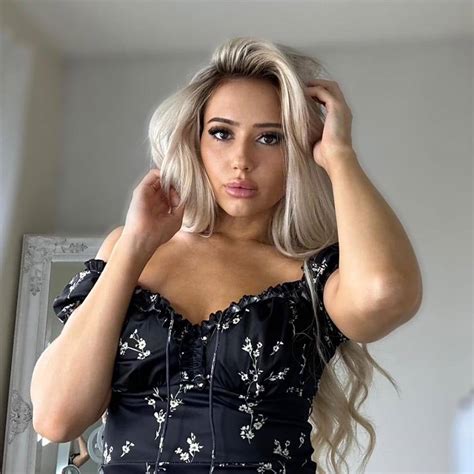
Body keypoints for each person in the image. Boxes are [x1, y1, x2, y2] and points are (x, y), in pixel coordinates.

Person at [31, 36, 422, 474]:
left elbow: (386, 294)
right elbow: (56, 418)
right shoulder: (133, 250)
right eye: (221, 133)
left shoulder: (313, 274)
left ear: (298, 150)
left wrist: (339, 155)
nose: (241, 160)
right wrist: (136, 246)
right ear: (195, 140)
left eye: (270, 138)